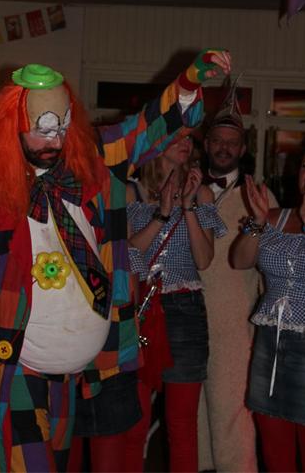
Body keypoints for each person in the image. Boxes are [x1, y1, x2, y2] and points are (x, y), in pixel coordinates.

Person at [0, 51, 231, 473]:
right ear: (11, 126)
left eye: (62, 127)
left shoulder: (92, 162)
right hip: (9, 372)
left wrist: (189, 84)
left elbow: (147, 129)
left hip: (69, 381)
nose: (55, 141)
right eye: (43, 129)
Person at [122, 135, 226, 472]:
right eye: (176, 135)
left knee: (181, 425)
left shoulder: (202, 192)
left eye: (189, 137)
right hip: (140, 310)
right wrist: (163, 214)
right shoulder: (130, 191)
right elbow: (127, 252)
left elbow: (204, 258)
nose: (186, 143)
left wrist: (189, 206)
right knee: (132, 424)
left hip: (185, 309)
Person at [197, 81, 278, 473]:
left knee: (232, 413)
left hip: (235, 323)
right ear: (206, 144)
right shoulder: (186, 190)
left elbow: (273, 267)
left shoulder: (260, 199)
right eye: (218, 141)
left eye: (232, 142)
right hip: (188, 319)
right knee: (194, 414)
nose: (224, 148)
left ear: (243, 149)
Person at [231, 135, 305, 472]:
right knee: (273, 445)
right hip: (272, 342)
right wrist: (256, 222)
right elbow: (240, 261)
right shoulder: (275, 217)